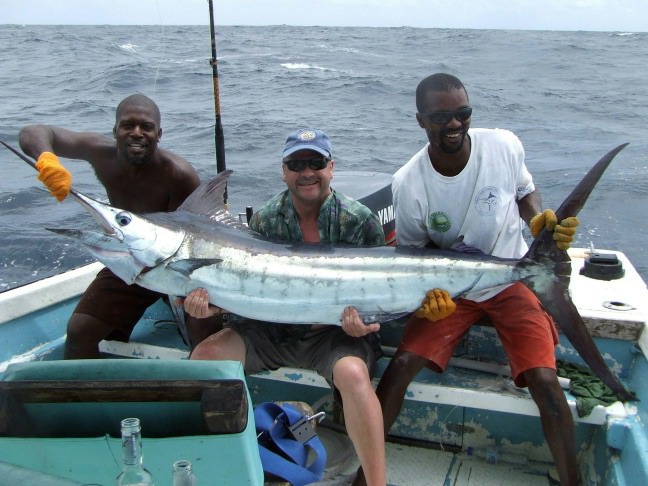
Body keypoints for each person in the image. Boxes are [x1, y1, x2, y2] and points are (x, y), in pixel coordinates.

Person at [367, 73, 580, 486]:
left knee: (545, 381)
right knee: (402, 365)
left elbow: (525, 191)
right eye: (441, 116)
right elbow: (416, 256)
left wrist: (537, 221)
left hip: (511, 279)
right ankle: (367, 474)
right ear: (420, 120)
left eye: (462, 113)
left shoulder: (503, 145)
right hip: (453, 291)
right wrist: (431, 296)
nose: (453, 124)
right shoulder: (408, 184)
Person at [184, 128, 393, 486]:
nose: (307, 172)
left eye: (316, 162)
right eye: (297, 163)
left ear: (331, 167)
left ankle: (377, 483)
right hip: (272, 329)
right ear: (283, 171)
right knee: (204, 358)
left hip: (334, 333)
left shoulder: (359, 220)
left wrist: (366, 324)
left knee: (355, 376)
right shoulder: (265, 220)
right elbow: (246, 289)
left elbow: (380, 291)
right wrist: (212, 307)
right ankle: (238, 460)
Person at [18, 94, 218, 358]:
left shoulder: (179, 175)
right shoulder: (99, 153)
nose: (136, 133)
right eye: (128, 125)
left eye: (146, 127)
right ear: (115, 130)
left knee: (205, 341)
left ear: (159, 134)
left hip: (181, 269)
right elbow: (34, 132)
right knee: (80, 331)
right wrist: (47, 159)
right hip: (130, 261)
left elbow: (199, 235)